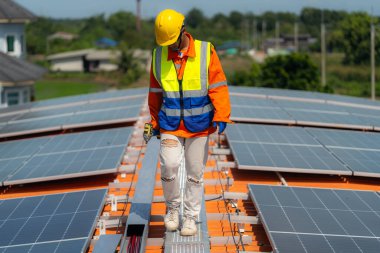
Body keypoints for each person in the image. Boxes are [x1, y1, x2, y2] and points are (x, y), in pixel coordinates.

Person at [147, 9, 232, 236]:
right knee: (169, 165)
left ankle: (191, 217)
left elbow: (218, 86)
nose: (170, 46)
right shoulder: (158, 56)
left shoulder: (206, 51)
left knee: (195, 173)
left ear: (183, 31)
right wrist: (154, 121)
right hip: (170, 125)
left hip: (199, 125)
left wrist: (222, 115)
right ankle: (173, 208)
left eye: (173, 41)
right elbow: (155, 92)